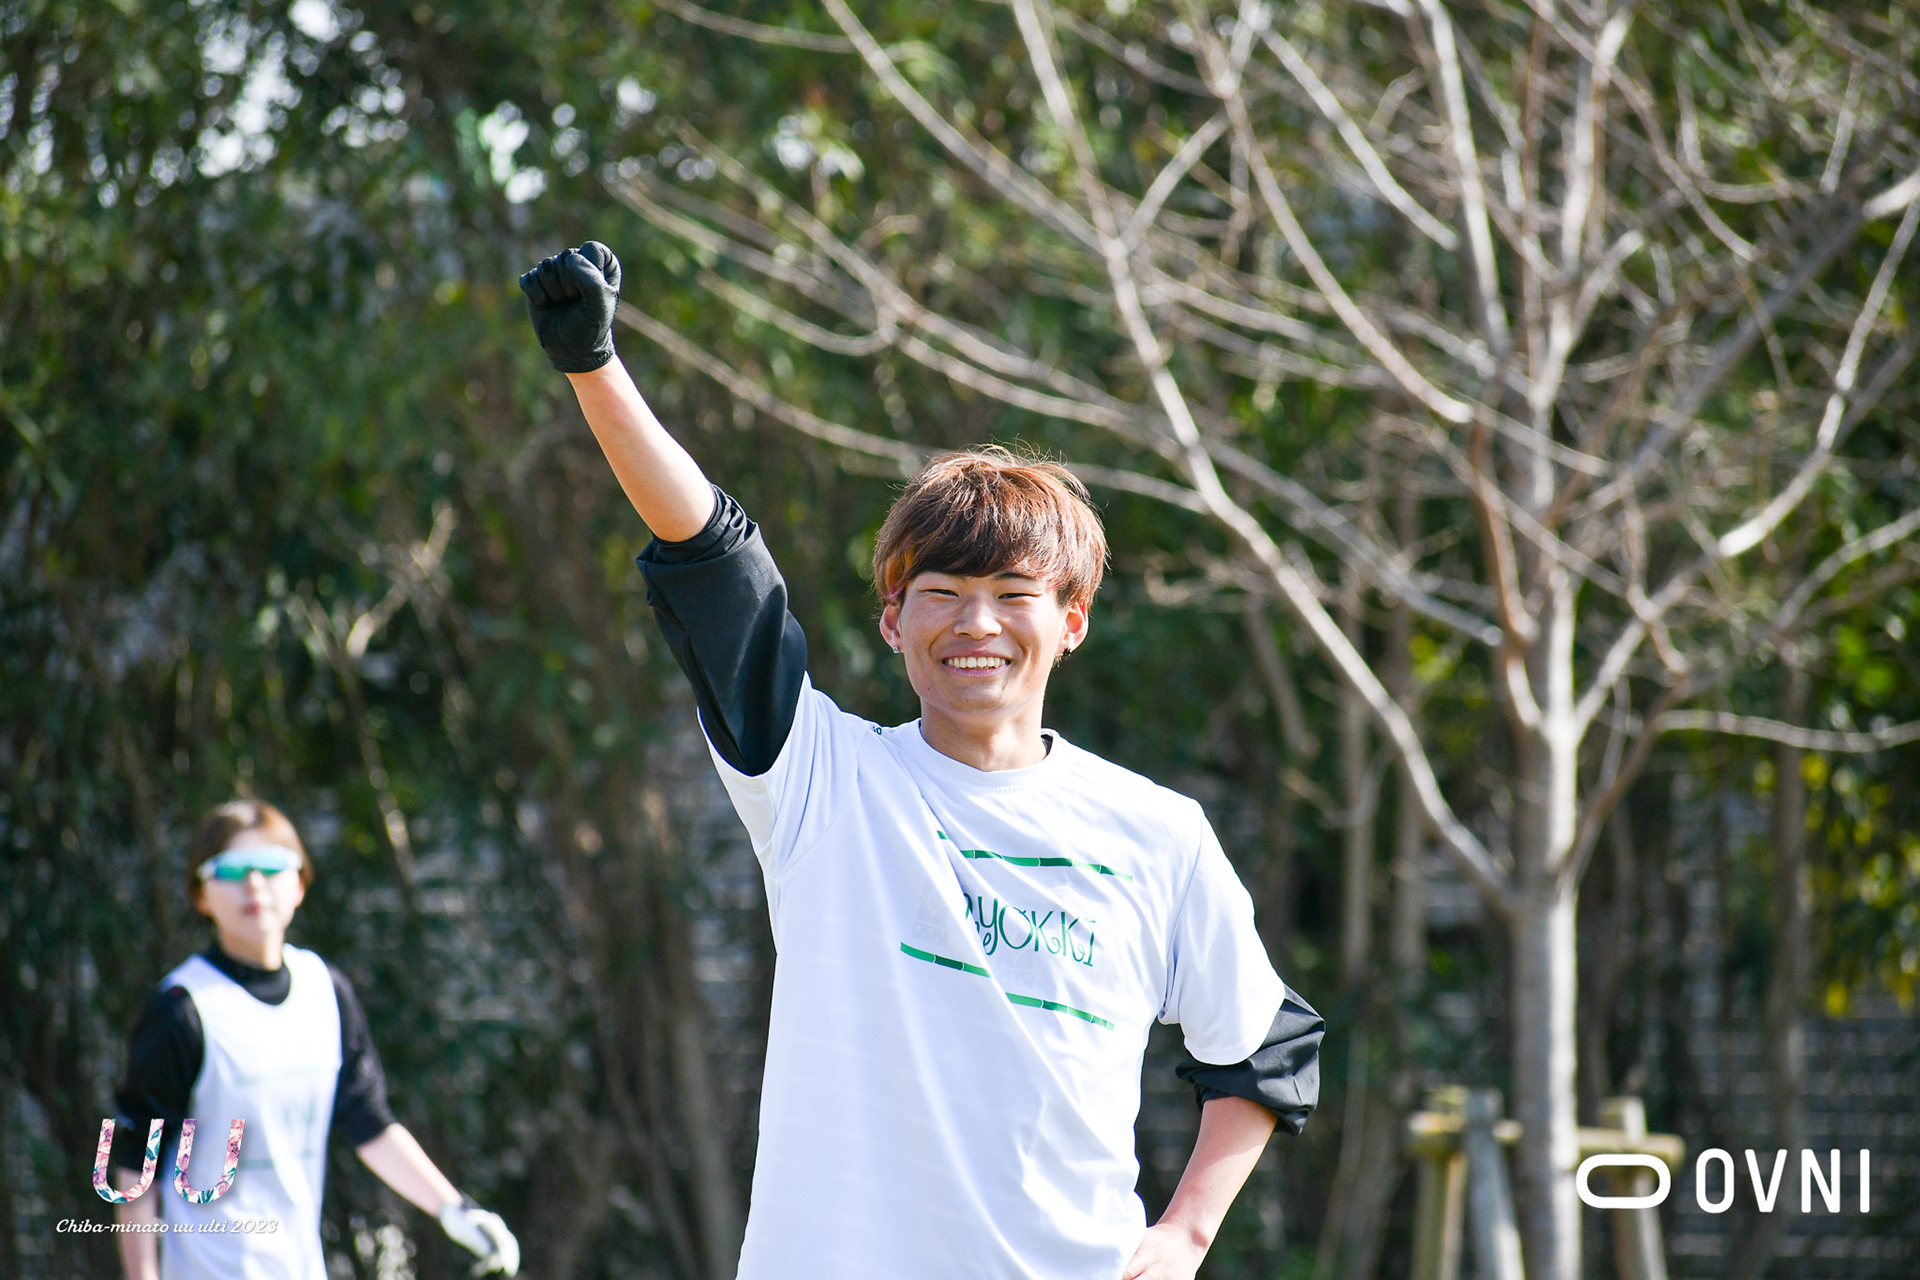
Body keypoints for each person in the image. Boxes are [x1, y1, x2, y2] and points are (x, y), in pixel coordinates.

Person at [520, 242, 1322, 1280]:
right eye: (941, 593)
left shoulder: (1157, 834)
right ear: (894, 621)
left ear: (1072, 621)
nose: (975, 623)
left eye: (1014, 595)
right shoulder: (821, 783)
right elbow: (717, 558)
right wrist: (595, 367)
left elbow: (1264, 1044)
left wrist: (1187, 1232)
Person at [108, 799, 519, 1279]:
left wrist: (456, 1211)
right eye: (232, 869)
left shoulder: (325, 990)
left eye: (271, 866)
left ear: (300, 884)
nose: (254, 884)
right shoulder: (180, 1010)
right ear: (201, 894)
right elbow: (136, 1169)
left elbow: (370, 1123)